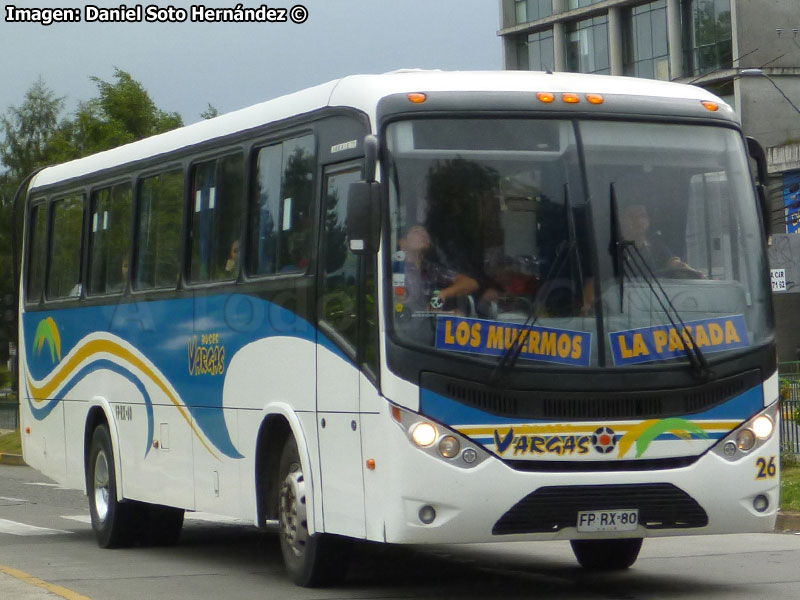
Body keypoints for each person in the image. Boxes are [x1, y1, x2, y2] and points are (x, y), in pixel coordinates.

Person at [395, 224, 479, 313]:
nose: (423, 234)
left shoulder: (431, 268)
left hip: (427, 325)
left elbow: (472, 283)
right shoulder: (392, 267)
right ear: (402, 242)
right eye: (416, 231)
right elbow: (396, 300)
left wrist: (444, 293)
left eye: (425, 233)